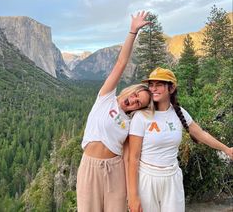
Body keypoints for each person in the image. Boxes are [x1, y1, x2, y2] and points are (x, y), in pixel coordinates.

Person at [76, 11, 154, 212]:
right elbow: (121, 63)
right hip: (90, 167)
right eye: (137, 95)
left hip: (115, 170)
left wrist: (133, 194)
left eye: (140, 103)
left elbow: (131, 156)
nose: (135, 101)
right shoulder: (106, 98)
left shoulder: (130, 123)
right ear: (131, 90)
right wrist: (132, 32)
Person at [128, 67, 233, 212]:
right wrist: (133, 196)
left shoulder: (179, 113)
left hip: (172, 178)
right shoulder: (141, 117)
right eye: (151, 85)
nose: (153, 89)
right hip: (147, 178)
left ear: (171, 88)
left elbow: (201, 134)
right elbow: (133, 158)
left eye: (159, 84)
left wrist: (226, 149)